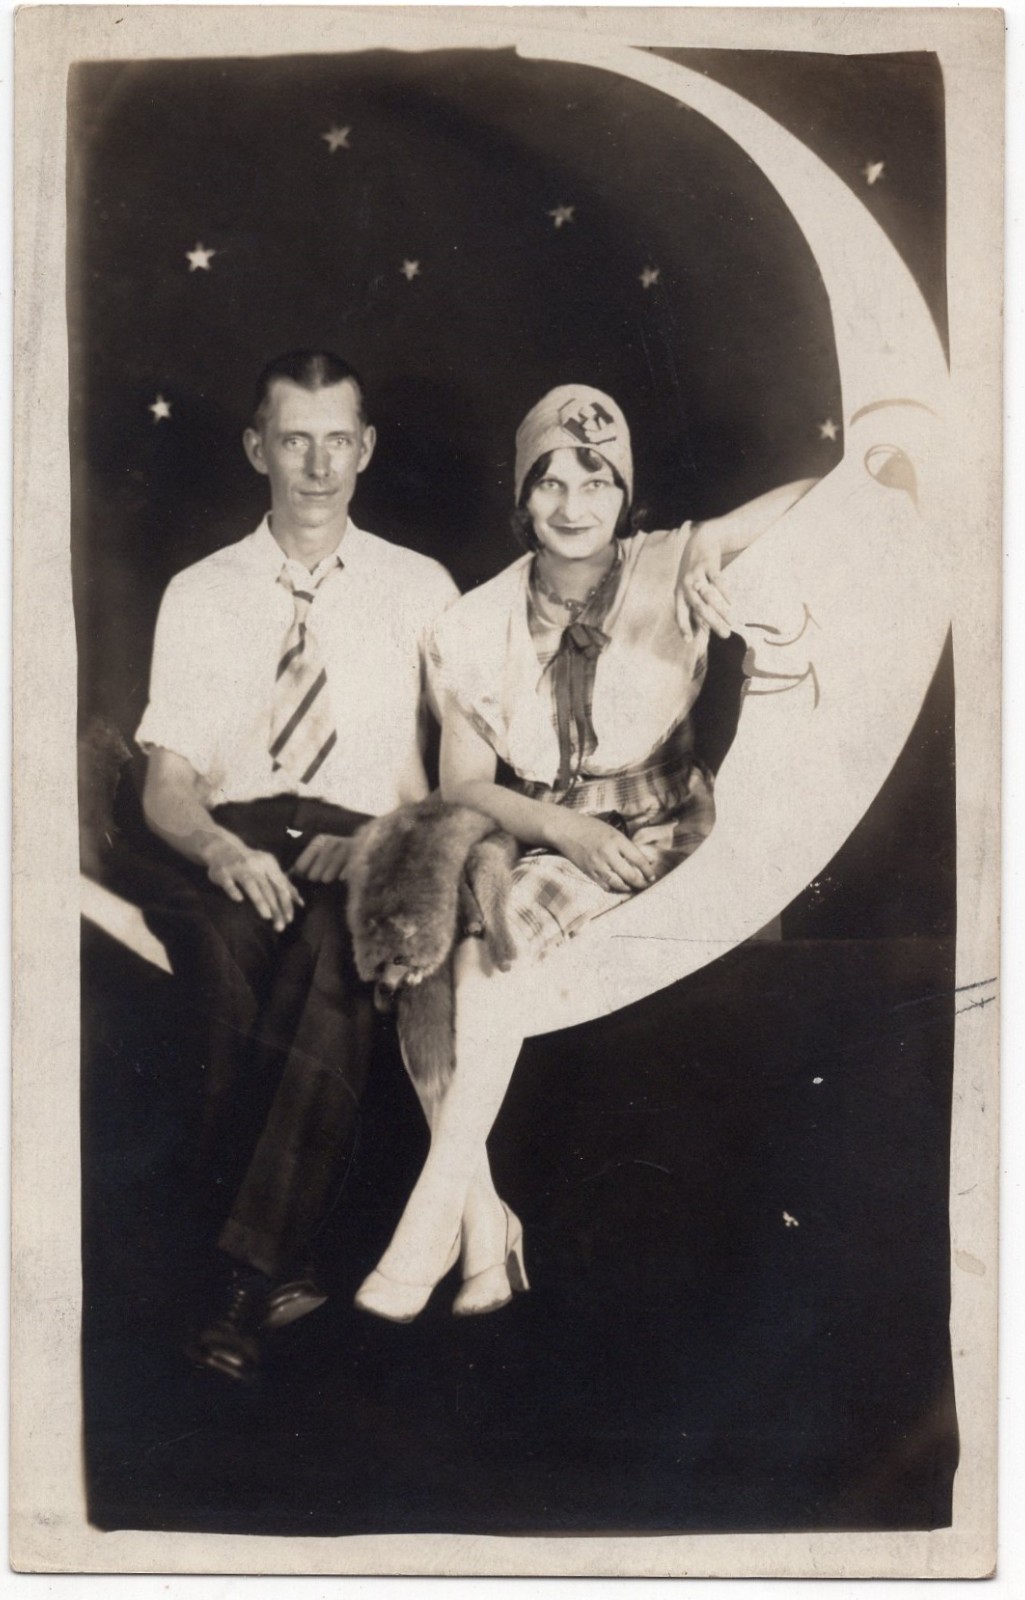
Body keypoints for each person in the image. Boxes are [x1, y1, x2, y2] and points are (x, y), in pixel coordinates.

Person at [353, 383, 815, 1322]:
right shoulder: (473, 624)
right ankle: (482, 1223)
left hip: (665, 820)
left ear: (623, 493)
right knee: (452, 965)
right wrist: (564, 830)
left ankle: (434, 1220)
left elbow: (817, 491)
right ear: (521, 500)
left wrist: (716, 554)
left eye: (595, 481)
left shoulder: (672, 559)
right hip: (554, 829)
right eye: (549, 483)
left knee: (493, 960)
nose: (573, 505)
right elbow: (466, 787)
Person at [135, 350, 458, 1379]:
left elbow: (458, 780)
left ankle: (232, 1278)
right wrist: (221, 848)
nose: (315, 466)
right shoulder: (199, 592)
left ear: (363, 449)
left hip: (370, 839)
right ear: (255, 448)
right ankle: (267, 1268)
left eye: (335, 441)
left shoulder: (421, 588)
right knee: (221, 953)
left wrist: (377, 841)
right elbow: (167, 787)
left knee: (334, 947)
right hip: (234, 837)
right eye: (291, 440)